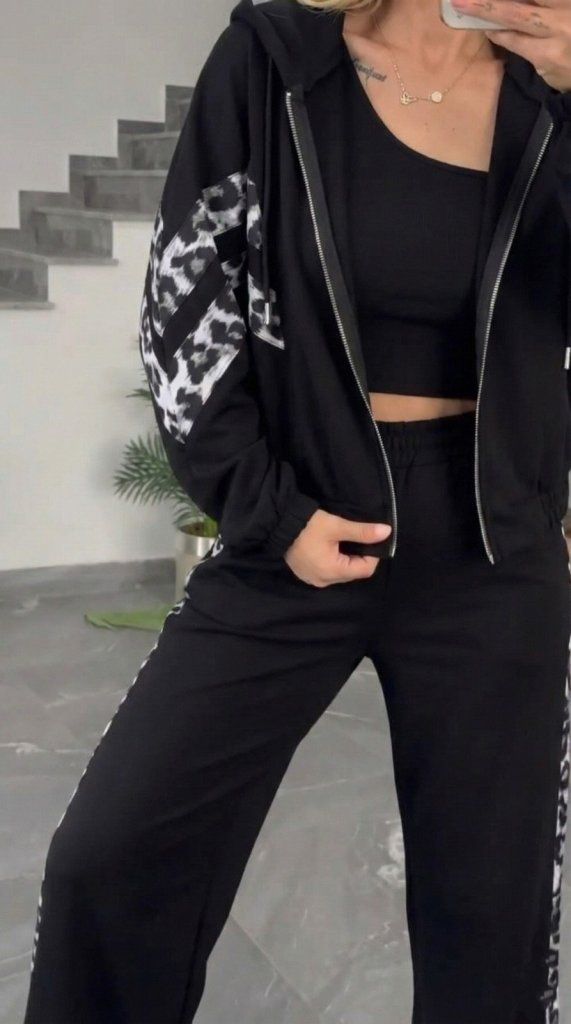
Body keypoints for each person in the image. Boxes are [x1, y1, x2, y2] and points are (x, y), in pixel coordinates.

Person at [23, 0, 571, 1020]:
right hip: (301, 510)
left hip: (494, 541)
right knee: (114, 854)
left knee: (491, 915)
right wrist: (266, 511)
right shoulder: (276, 64)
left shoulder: (550, 96)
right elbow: (186, 300)